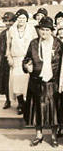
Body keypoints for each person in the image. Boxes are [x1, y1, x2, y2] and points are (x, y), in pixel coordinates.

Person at [23, 17, 63, 148]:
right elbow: (26, 59)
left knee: (54, 111)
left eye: (47, 30)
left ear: (51, 31)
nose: (44, 32)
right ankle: (39, 135)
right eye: (42, 30)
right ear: (38, 30)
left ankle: (53, 136)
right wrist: (26, 66)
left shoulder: (58, 44)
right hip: (37, 82)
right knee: (37, 110)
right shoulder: (33, 43)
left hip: (53, 82)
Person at [6, 9, 37, 115]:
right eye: (19, 18)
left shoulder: (31, 29)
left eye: (23, 18)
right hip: (16, 59)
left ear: (26, 19)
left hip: (28, 59)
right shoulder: (12, 30)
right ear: (16, 19)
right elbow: (8, 46)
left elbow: (35, 44)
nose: (21, 20)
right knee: (16, 82)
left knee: (27, 82)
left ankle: (28, 103)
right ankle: (20, 104)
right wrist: (9, 57)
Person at [0, 12, 16, 109]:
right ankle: (7, 100)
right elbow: (2, 48)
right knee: (5, 79)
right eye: (6, 21)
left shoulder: (17, 32)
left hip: (15, 59)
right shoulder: (3, 34)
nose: (8, 23)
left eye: (10, 21)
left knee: (16, 80)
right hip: (5, 59)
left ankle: (20, 103)